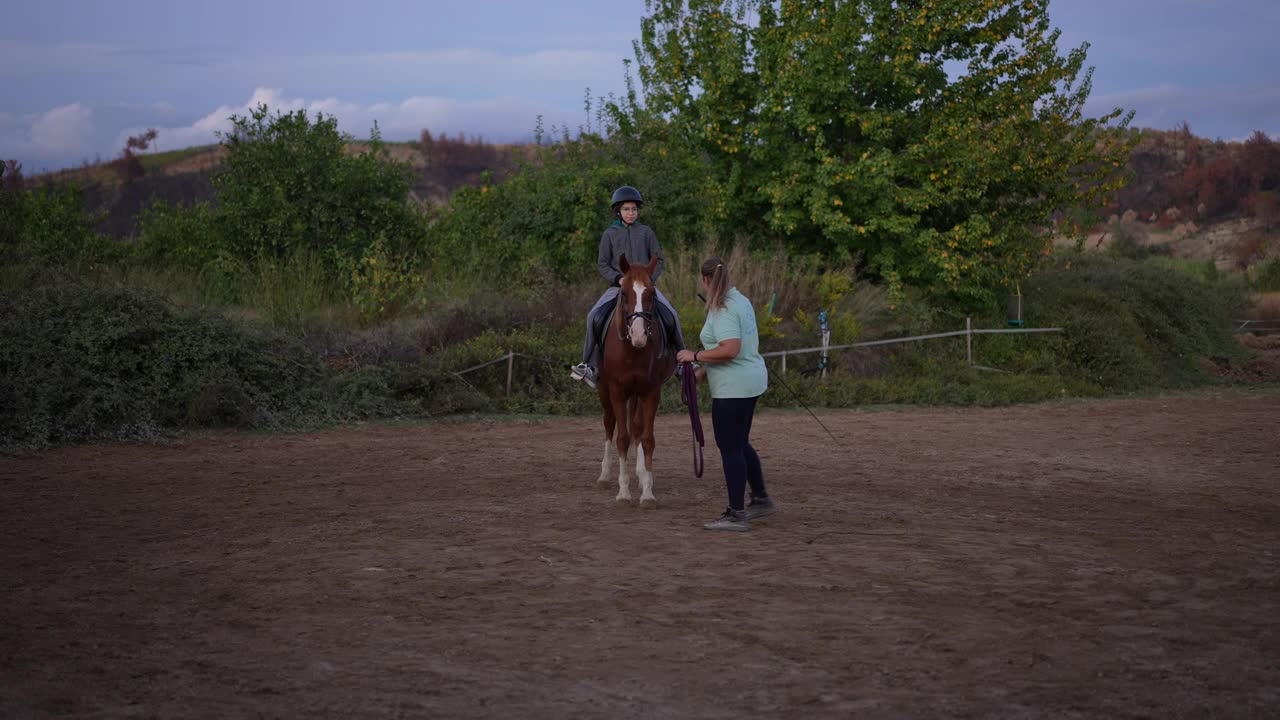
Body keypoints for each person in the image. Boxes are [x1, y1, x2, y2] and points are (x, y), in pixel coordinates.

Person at [675, 257, 777, 532]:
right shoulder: (739, 300)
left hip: (733, 389)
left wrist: (693, 355)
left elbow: (730, 349)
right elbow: (728, 349)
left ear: (705, 280)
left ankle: (736, 514)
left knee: (730, 447)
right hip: (749, 382)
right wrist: (700, 372)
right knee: (740, 443)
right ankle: (760, 498)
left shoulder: (723, 308)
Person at [570, 186, 684, 388]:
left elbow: (659, 260)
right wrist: (617, 278)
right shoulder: (609, 234)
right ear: (618, 212)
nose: (631, 213)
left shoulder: (647, 232)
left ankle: (683, 363)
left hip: (644, 288)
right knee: (593, 316)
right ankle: (588, 365)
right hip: (619, 287)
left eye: (634, 209)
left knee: (672, 314)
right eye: (626, 209)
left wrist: (649, 281)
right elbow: (602, 264)